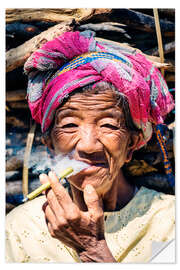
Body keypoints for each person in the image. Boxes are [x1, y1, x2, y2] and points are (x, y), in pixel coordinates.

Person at [5, 31, 175, 263]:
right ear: (50, 147)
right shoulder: (18, 230)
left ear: (131, 144)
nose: (88, 145)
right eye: (70, 124)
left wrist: (92, 249)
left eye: (107, 125)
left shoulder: (169, 222)